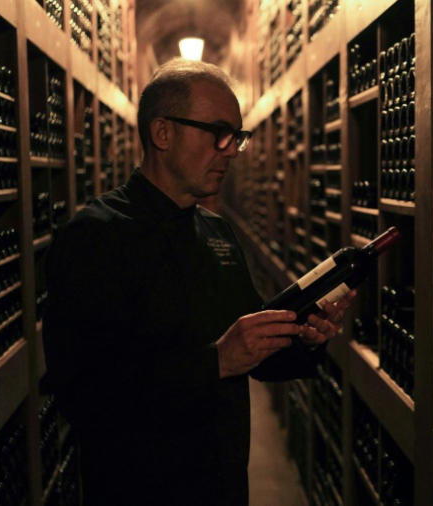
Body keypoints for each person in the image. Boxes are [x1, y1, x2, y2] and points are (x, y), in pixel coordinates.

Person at [42, 58, 355, 505]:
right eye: (219, 133)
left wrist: (305, 337)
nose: (230, 150)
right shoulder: (94, 237)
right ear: (162, 133)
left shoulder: (218, 233)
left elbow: (256, 358)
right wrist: (216, 362)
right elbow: (84, 392)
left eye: (238, 137)